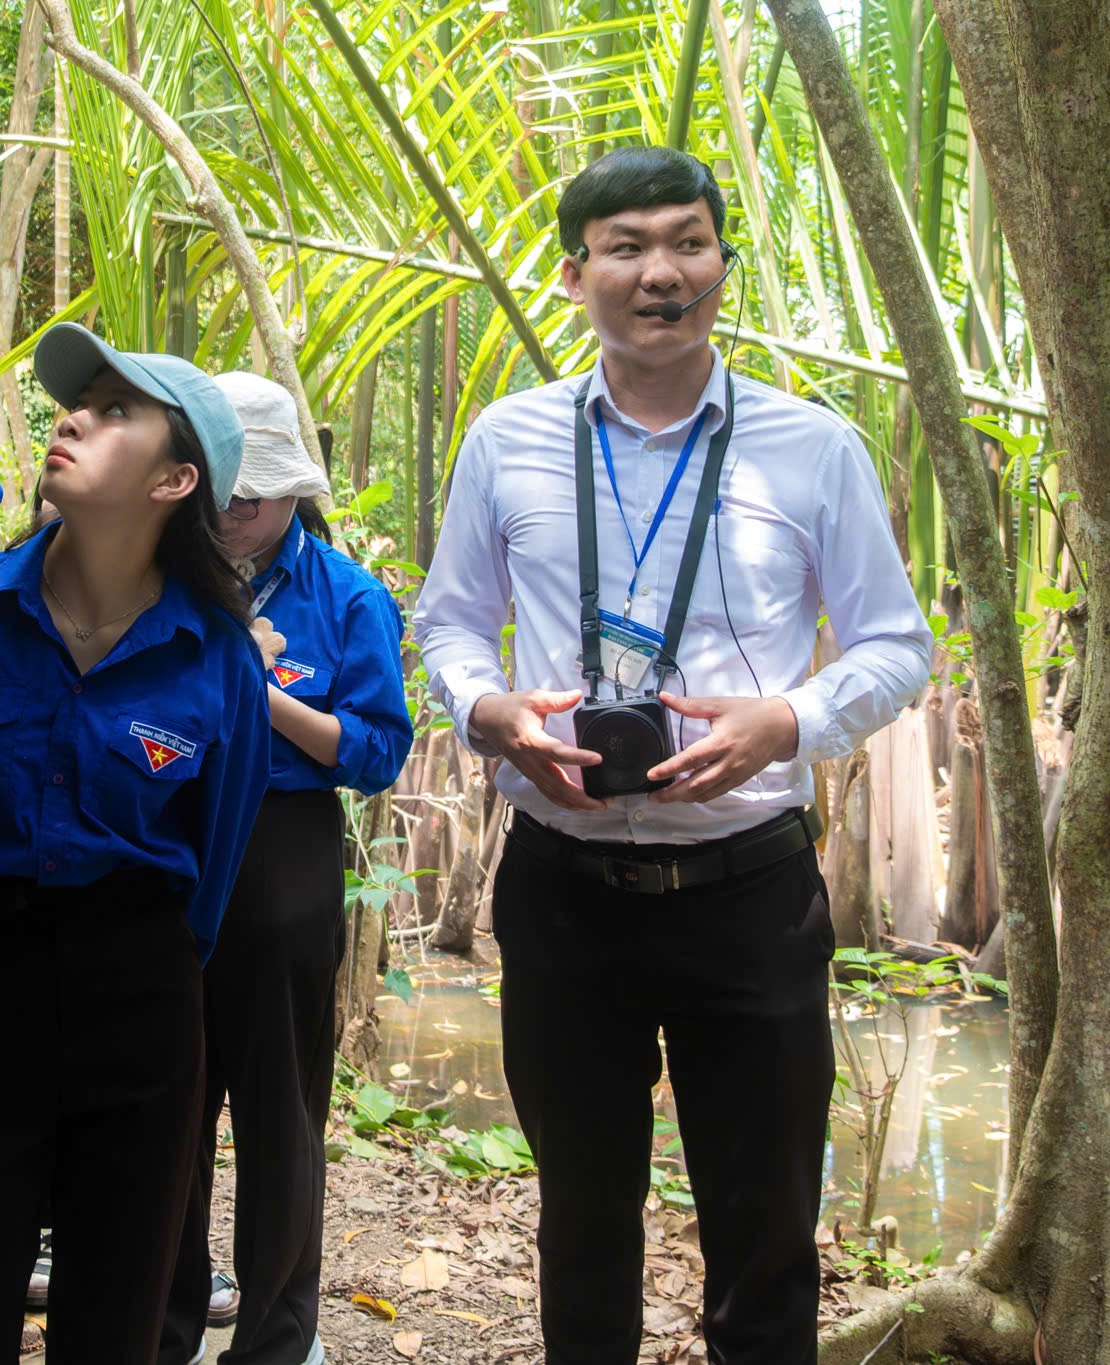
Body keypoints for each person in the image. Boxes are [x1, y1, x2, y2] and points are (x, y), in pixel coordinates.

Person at [411, 146, 931, 1364]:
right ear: (575, 270)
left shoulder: (812, 447)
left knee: (762, 1232)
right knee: (581, 1213)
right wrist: (483, 709)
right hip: (559, 890)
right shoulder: (507, 439)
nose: (661, 273)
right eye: (627, 247)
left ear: (718, 263)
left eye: (687, 243)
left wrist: (787, 722)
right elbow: (444, 621)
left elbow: (893, 643)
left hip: (746, 889)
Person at [0, 323, 271, 1364]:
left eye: (115, 409)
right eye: (74, 402)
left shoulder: (211, 651)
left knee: (122, 1282)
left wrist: (155, 957)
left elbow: (218, 846)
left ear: (176, 479)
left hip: (141, 984)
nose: (72, 417)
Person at [158, 374, 414, 1365]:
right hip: (167, 846)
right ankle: (163, 1322)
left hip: (284, 854)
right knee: (169, 1108)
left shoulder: (344, 596)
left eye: (250, 499)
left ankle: (275, 1334)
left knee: (281, 1114)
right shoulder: (152, 571)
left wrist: (258, 695)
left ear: (291, 494)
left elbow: (374, 750)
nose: (229, 515)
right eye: (215, 492)